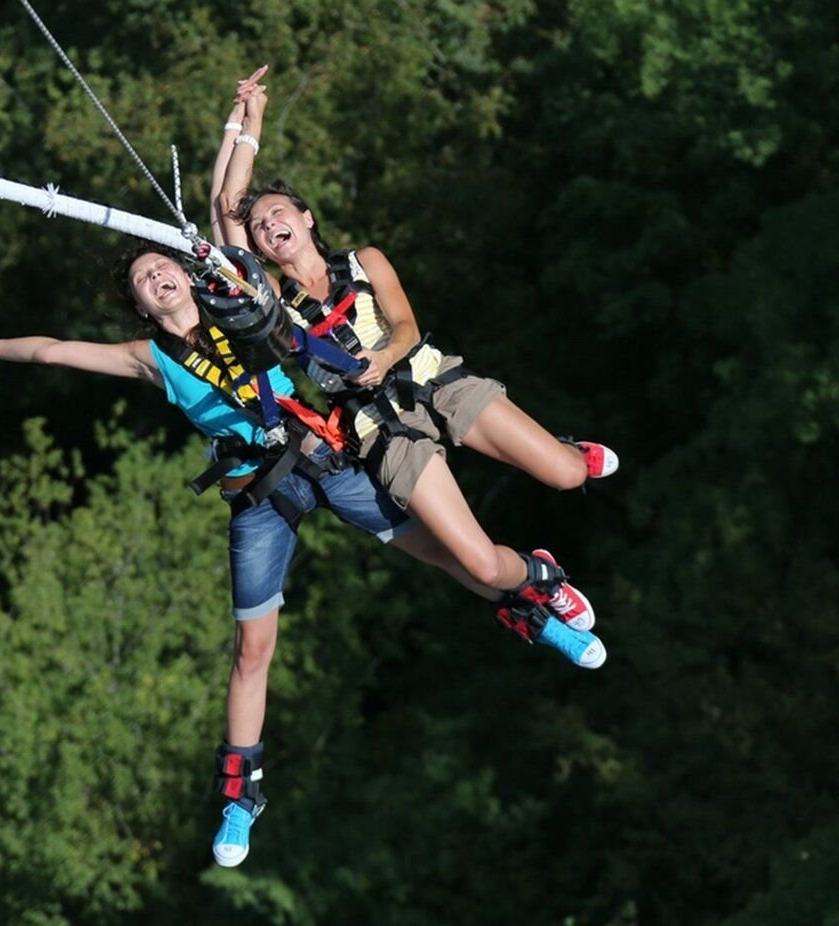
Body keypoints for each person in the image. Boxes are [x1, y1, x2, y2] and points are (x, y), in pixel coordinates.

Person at [0, 241, 604, 869]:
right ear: (143, 306)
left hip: (330, 460)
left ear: (185, 273)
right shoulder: (149, 354)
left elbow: (239, 238)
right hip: (259, 492)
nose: (156, 278)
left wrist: (244, 131)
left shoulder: (244, 308)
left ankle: (536, 596)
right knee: (253, 648)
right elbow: (58, 352)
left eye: (162, 267)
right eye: (144, 280)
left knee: (454, 556)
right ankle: (240, 795)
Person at [212, 69, 619, 645]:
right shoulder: (275, 303)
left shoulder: (366, 261)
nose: (269, 223)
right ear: (258, 249)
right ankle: (540, 578)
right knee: (478, 563)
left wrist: (386, 355)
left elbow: (405, 325)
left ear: (307, 218)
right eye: (259, 227)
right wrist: (245, 124)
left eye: (279, 212)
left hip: (433, 379)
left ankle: (565, 452)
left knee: (566, 475)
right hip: (381, 430)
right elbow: (225, 214)